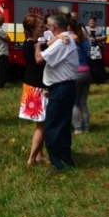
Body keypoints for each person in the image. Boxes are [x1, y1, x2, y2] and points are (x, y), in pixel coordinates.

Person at [35, 13, 79, 173]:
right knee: (61, 126)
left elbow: (40, 60)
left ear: (53, 27)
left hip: (61, 88)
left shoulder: (62, 42)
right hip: (63, 87)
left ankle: (60, 164)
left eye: (48, 26)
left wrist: (38, 47)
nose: (47, 28)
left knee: (53, 126)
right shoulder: (64, 39)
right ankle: (65, 160)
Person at [19, 14, 50, 165]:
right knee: (42, 126)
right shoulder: (37, 46)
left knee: (39, 124)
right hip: (38, 87)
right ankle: (31, 159)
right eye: (41, 26)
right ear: (32, 29)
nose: (44, 28)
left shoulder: (27, 43)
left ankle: (39, 155)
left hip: (30, 85)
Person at [68, 17, 91, 134]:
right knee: (83, 102)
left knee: (74, 103)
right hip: (87, 71)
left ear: (69, 27)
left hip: (76, 72)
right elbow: (88, 52)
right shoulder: (85, 38)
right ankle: (86, 127)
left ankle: (77, 128)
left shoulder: (70, 38)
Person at [86, 17, 107, 85]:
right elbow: (83, 37)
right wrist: (89, 39)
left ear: (95, 22)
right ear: (88, 22)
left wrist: (96, 39)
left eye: (93, 21)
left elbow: (104, 37)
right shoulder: (85, 29)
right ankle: (92, 79)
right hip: (89, 49)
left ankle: (100, 79)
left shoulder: (100, 29)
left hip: (98, 48)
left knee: (99, 64)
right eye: (90, 21)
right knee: (91, 64)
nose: (91, 23)